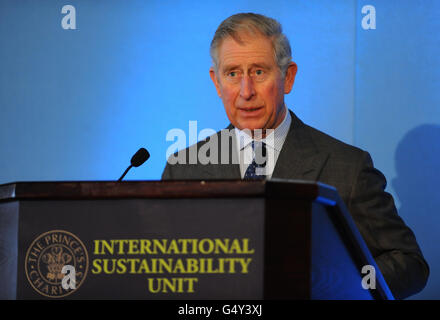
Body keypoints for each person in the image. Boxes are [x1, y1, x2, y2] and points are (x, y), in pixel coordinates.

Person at [161, 13, 429, 299]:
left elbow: (408, 264)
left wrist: (332, 285)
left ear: (287, 77)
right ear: (217, 82)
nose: (245, 91)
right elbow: (161, 270)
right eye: (233, 73)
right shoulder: (184, 169)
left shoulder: (347, 168)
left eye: (259, 72)